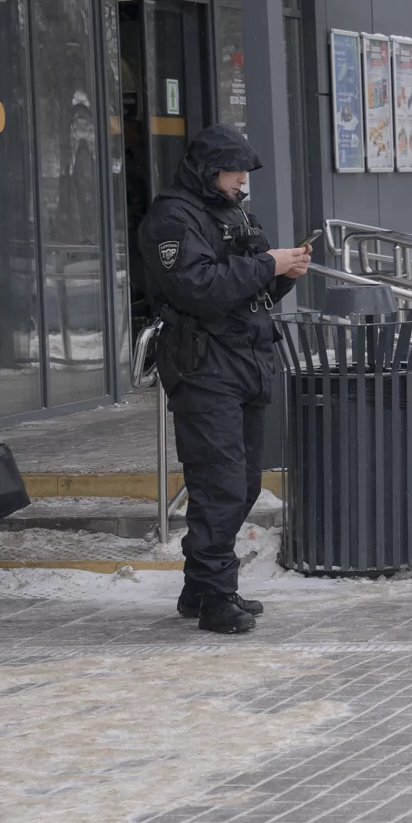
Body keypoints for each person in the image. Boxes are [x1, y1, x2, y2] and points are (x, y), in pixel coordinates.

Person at [138, 124, 313, 635]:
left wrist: (282, 273)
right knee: (220, 483)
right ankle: (216, 594)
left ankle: (200, 586)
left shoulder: (231, 211)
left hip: (246, 357)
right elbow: (198, 289)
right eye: (235, 172)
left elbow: (245, 290)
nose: (242, 181)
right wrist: (266, 264)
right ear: (210, 170)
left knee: (244, 484)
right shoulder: (172, 216)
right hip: (203, 363)